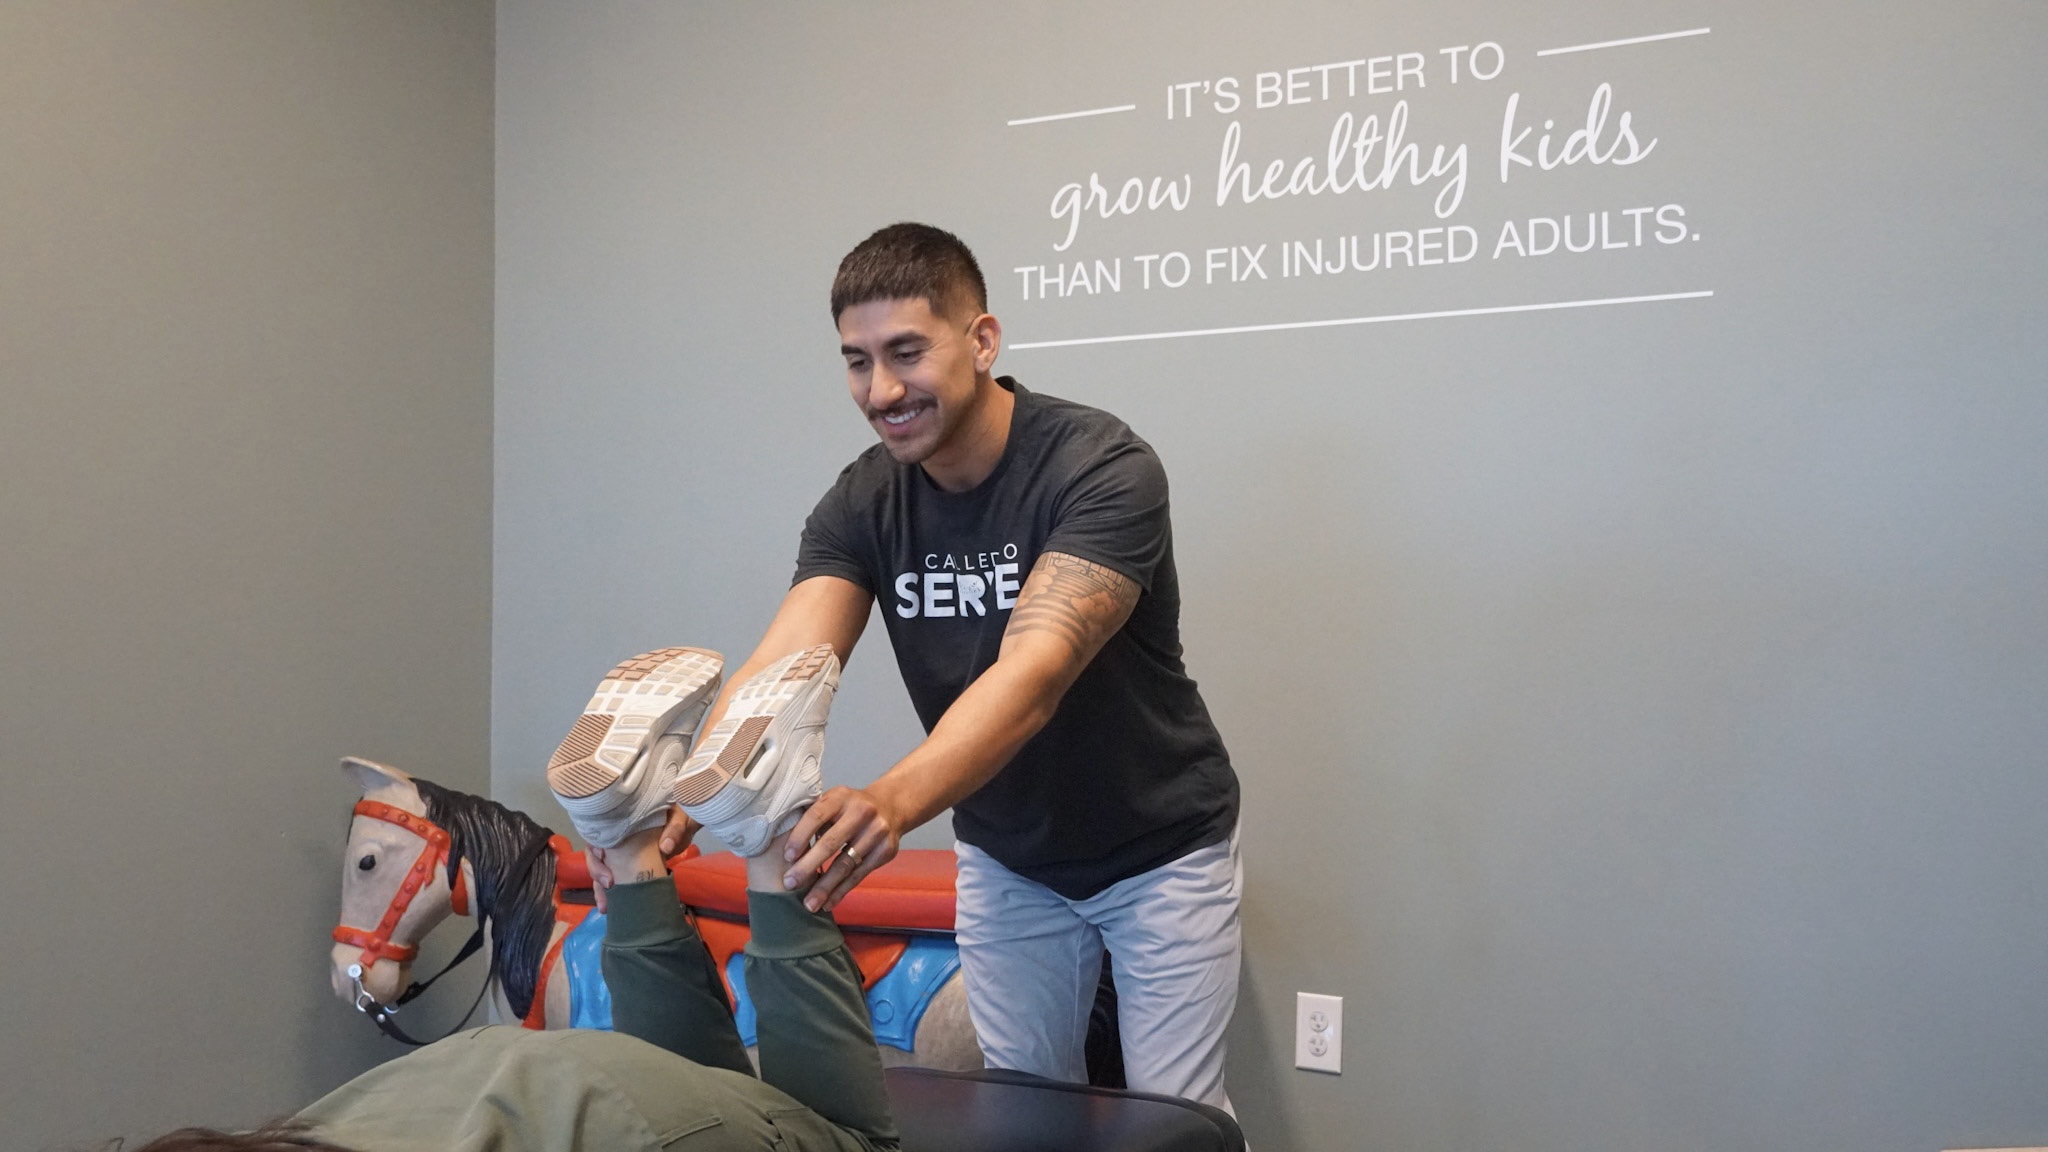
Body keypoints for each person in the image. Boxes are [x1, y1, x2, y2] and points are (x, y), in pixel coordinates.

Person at [605, 223, 1244, 1111]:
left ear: (982, 341)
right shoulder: (864, 500)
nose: (883, 389)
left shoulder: (1099, 468)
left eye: (907, 352)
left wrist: (894, 802)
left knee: (1179, 1115)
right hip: (1010, 854)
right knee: (1028, 1109)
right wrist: (697, 785)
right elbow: (789, 663)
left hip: (1160, 849)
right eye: (858, 361)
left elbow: (1034, 677)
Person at [138, 647, 897, 1152]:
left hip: (585, 1120)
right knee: (715, 1103)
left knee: (830, 1139)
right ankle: (636, 843)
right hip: (462, 1084)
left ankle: (752, 837)